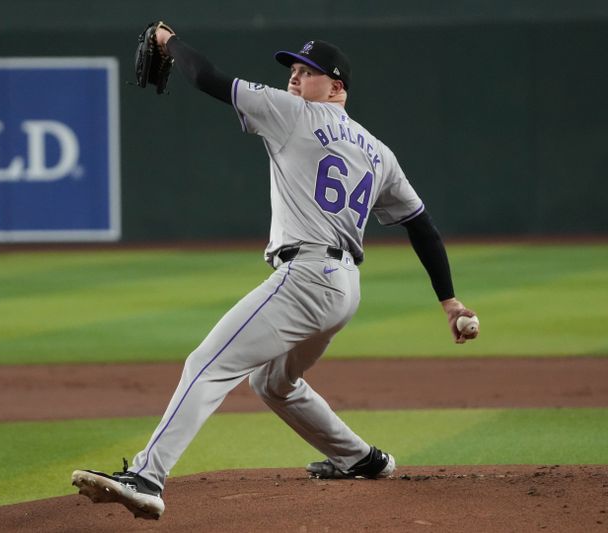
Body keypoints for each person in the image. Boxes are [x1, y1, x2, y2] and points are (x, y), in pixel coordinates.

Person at [71, 25, 478, 520]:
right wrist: (449, 301)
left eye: (309, 72)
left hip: (306, 276)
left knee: (207, 363)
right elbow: (422, 227)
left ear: (336, 88)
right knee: (272, 383)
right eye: (293, 70)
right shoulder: (378, 151)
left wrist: (167, 42)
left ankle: (146, 476)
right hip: (345, 288)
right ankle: (361, 459)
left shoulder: (293, 115)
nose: (294, 78)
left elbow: (207, 77)